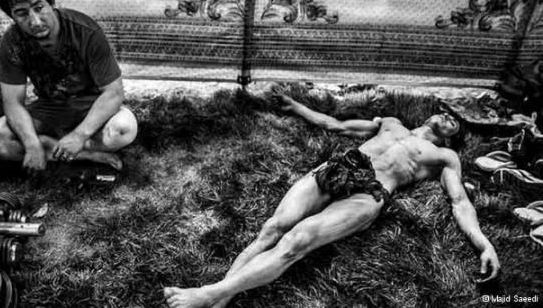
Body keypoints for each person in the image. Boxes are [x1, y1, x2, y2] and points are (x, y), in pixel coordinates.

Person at [164, 94, 500, 308]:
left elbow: (460, 202)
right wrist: (297, 107)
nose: (450, 119)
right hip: (340, 167)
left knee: (297, 241)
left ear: (455, 136)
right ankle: (222, 298)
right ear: (434, 112)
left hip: (369, 192)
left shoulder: (444, 156)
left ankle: (210, 293)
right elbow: (336, 125)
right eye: (448, 112)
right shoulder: (390, 122)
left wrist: (483, 243)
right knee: (273, 228)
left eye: (457, 123)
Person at [0, 0, 137, 173]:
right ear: (12, 16)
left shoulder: (86, 31)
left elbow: (113, 93)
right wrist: (30, 143)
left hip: (90, 108)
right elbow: (12, 102)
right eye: (22, 13)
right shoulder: (12, 42)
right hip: (48, 110)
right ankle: (84, 155)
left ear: (50, 2)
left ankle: (56, 148)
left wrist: (79, 134)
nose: (35, 21)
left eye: (38, 7)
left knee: (124, 129)